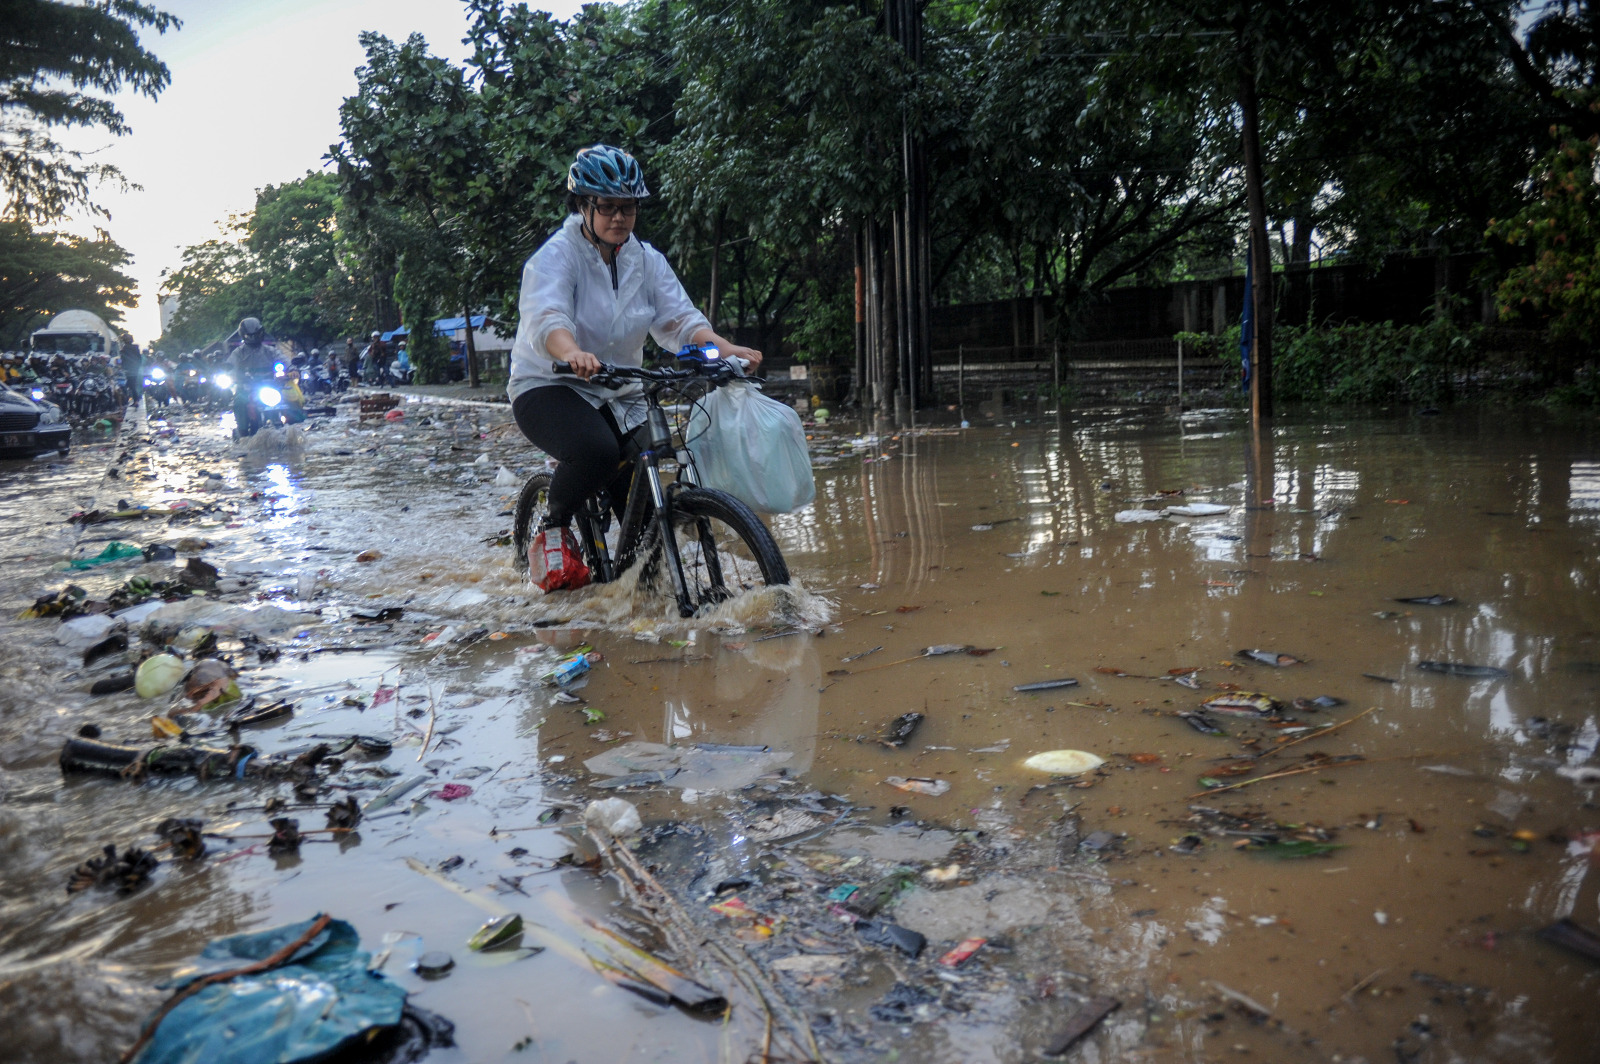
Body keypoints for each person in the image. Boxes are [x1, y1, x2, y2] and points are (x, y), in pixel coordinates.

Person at [508, 144, 762, 590]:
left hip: (620, 389)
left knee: (644, 507)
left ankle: (632, 590)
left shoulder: (645, 260)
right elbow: (547, 319)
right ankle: (553, 528)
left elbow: (682, 320)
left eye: (628, 207)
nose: (619, 217)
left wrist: (727, 350)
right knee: (597, 451)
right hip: (549, 384)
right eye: (607, 206)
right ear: (584, 206)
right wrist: (571, 352)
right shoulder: (556, 257)